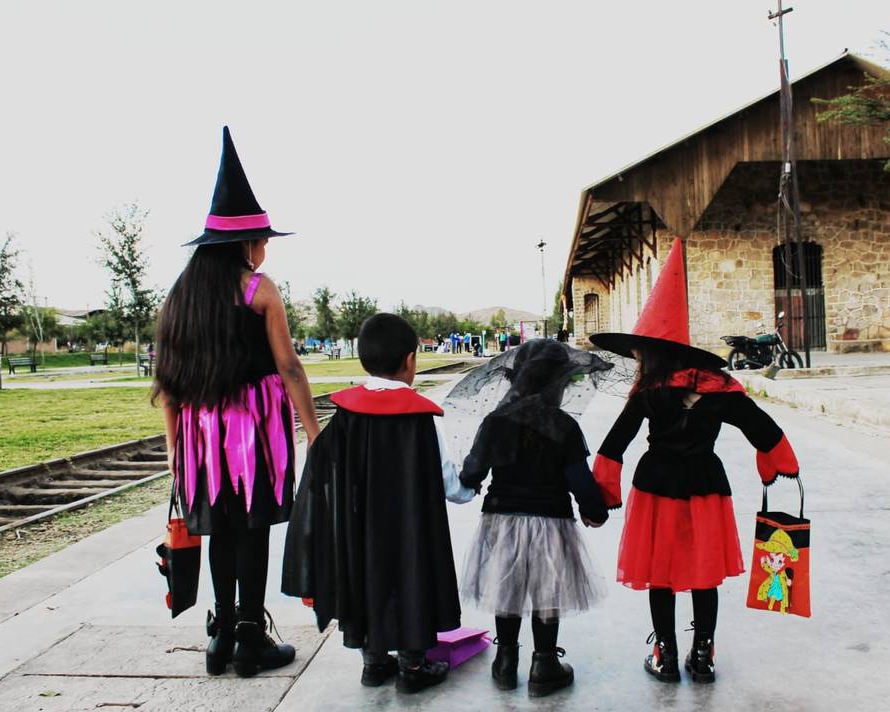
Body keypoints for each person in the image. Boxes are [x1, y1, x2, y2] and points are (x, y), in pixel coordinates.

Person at [589, 238, 799, 685]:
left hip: (656, 487)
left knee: (659, 574)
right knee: (705, 574)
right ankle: (703, 654)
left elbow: (614, 445)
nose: (637, 358)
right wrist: (778, 465)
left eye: (640, 352)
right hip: (705, 484)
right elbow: (766, 432)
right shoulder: (721, 390)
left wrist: (603, 492)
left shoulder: (648, 393)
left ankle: (665, 654)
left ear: (654, 353)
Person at [153, 126, 322, 678]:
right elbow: (289, 366)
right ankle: (251, 635)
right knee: (251, 529)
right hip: (253, 431)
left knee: (221, 527)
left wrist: (176, 450)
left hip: (200, 434)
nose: (266, 248)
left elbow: (169, 381)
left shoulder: (181, 295)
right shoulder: (259, 287)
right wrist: (314, 432)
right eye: (263, 238)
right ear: (245, 243)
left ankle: (221, 633)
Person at [282, 313, 474, 694]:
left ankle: (373, 664)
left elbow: (325, 470)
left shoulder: (346, 415)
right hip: (410, 529)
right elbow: (446, 479)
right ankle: (413, 666)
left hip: (361, 530)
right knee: (412, 581)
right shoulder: (420, 417)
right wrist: (468, 490)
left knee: (366, 580)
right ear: (409, 361)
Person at [458, 339, 609, 697]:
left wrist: (470, 483)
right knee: (546, 590)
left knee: (506, 589)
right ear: (558, 382)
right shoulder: (564, 425)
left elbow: (472, 472)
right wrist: (594, 511)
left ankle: (505, 662)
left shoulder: (495, 421)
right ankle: (544, 663)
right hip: (550, 519)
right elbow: (578, 479)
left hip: (502, 518)